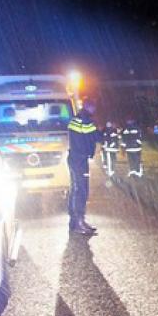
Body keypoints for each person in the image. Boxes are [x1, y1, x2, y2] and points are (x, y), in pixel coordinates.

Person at [67, 100, 100, 236]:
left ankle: (76, 221)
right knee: (80, 190)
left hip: (77, 158)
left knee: (78, 189)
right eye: (93, 107)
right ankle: (78, 222)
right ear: (88, 108)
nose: (94, 110)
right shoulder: (85, 121)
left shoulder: (77, 120)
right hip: (79, 159)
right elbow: (93, 137)